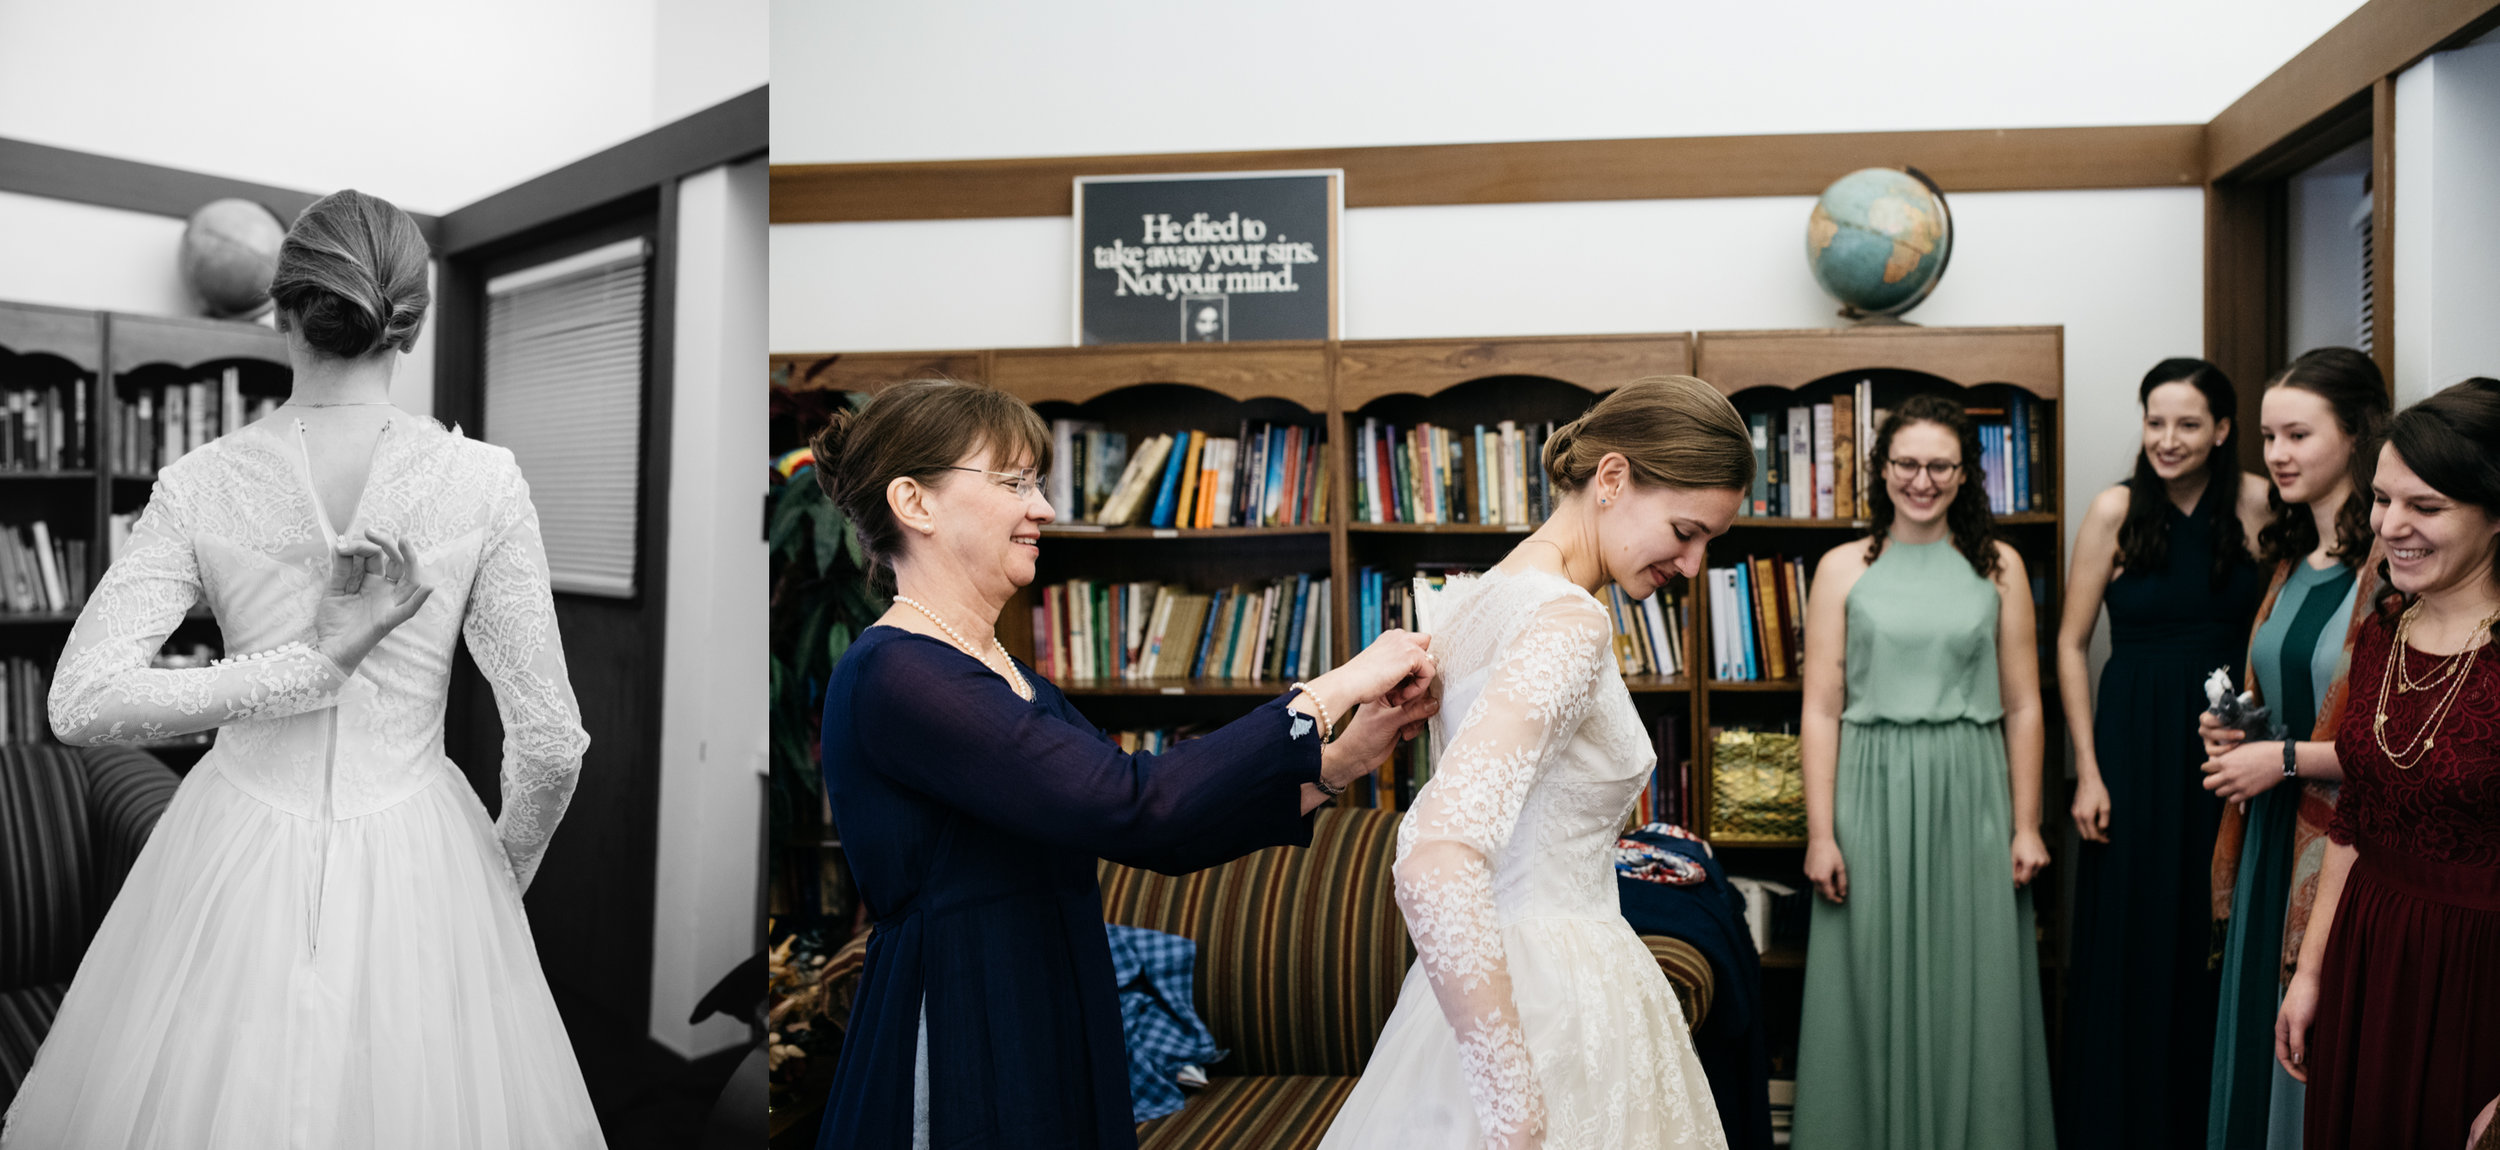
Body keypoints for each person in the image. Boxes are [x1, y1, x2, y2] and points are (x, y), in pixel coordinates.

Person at [3, 191, 600, 1147]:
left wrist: (294, 672)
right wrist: (498, 874)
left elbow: (79, 699)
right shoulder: (485, 482)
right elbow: (551, 744)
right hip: (423, 843)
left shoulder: (200, 481)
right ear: (410, 320)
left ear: (279, 313)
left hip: (229, 843)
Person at [809, 378, 1441, 1150]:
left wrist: (1337, 763)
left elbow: (1159, 836)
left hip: (1050, 992)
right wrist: (1328, 691)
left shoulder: (1003, 674)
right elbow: (1131, 800)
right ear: (915, 503)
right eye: (1013, 482)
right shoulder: (897, 675)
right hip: (965, 1010)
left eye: (1037, 483)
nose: (1041, 507)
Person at [1317, 376, 1745, 1150]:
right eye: (1685, 530)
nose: (1692, 563)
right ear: (1612, 479)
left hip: (1486, 988)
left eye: (1708, 541)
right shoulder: (1567, 622)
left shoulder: (1473, 604)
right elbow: (1435, 856)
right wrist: (1511, 1099)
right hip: (1557, 1002)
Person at [1793, 392, 2055, 1150]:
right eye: (1907, 463)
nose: (1923, 479)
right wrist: (1821, 833)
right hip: (1869, 792)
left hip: (1972, 788)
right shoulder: (1843, 568)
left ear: (1966, 475)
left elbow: (2024, 706)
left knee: (1973, 987)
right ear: (1880, 471)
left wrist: (2027, 825)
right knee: (1867, 980)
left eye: (1941, 465)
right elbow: (1820, 708)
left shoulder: (1997, 565)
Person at [2274, 377, 2500, 1149]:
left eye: (2425, 507)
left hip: (2475, 988)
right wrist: (2311, 973)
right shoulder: (2384, 635)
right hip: (2370, 960)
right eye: (2382, 500)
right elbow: (2355, 818)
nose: (2390, 526)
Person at [2056, 359, 2267, 1147]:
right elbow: (2073, 644)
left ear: (2221, 430)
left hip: (2222, 728)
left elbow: (2270, 635)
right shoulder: (2115, 509)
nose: (2167, 440)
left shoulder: (2254, 500)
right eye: (2155, 422)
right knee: (2130, 923)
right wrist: (2089, 772)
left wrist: (2254, 727)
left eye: (2187, 424)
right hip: (2130, 735)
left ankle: (2201, 1117)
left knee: (2210, 916)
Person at [2199, 348, 2389, 1150]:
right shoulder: (2288, 564)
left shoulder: (2388, 570)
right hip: (2271, 836)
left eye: (2298, 434)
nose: (2277, 453)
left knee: (2308, 1054)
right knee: (2251, 1044)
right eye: (2269, 436)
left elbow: (2394, 745)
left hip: (2341, 843)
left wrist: (2276, 761)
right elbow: (2287, 708)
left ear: (2355, 435)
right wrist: (2236, 730)